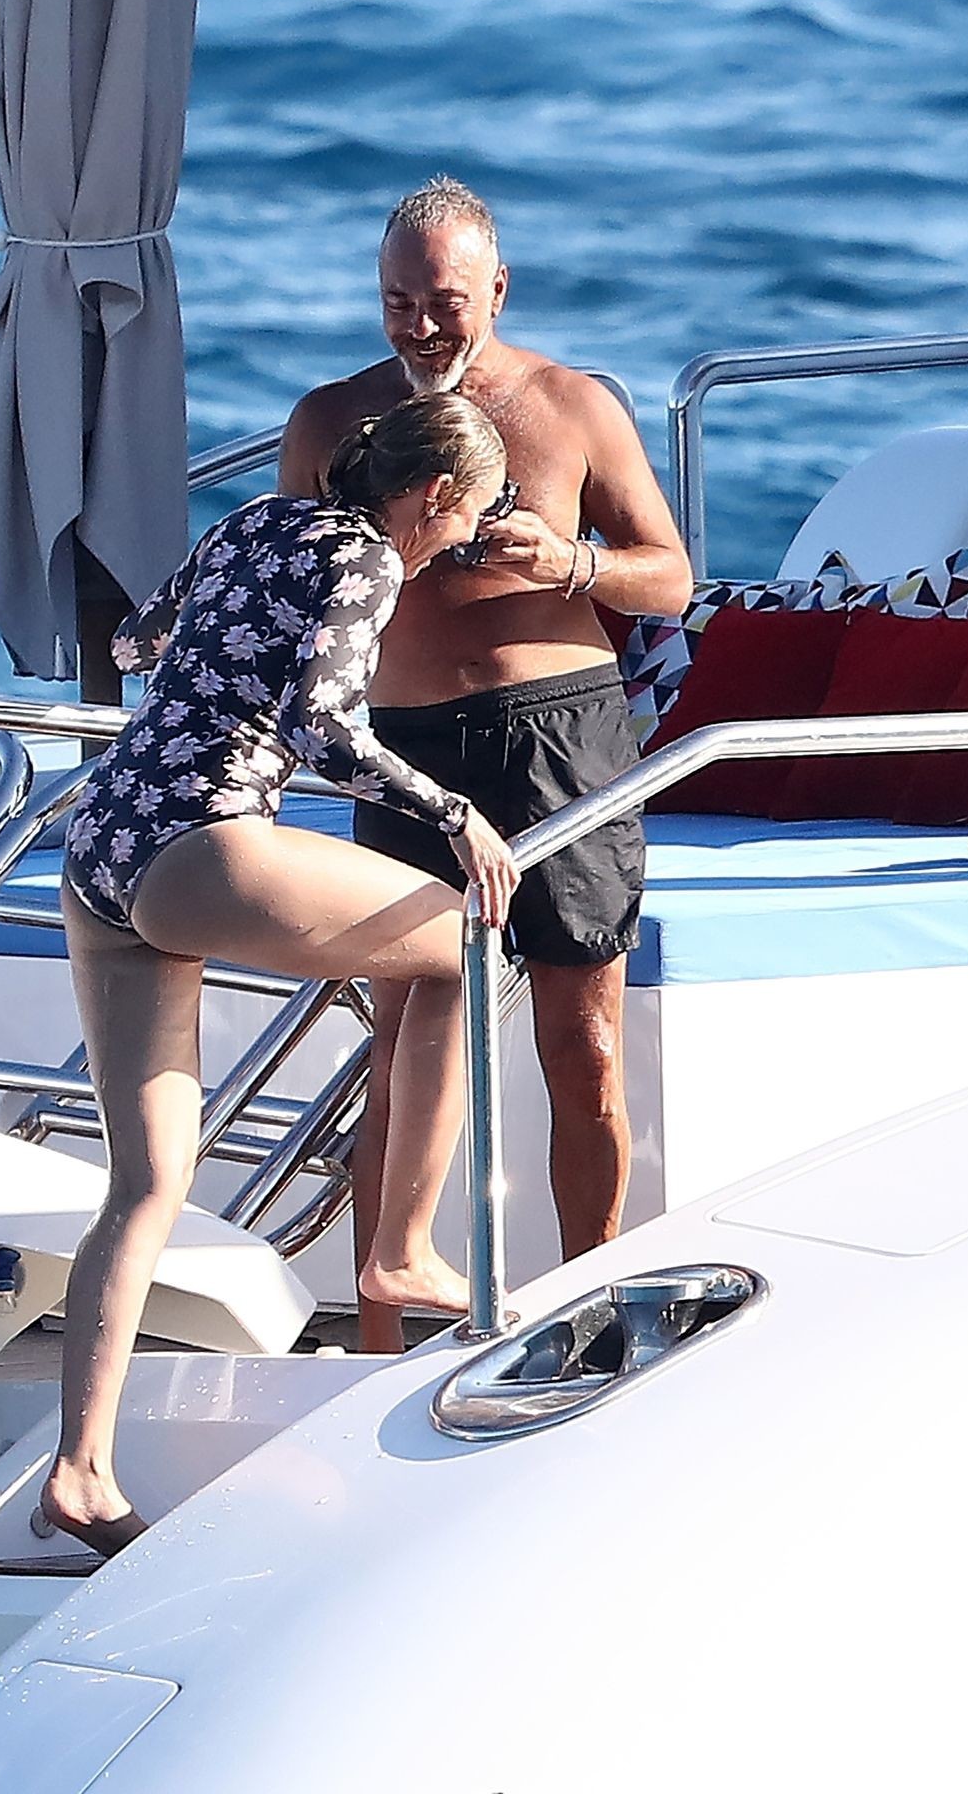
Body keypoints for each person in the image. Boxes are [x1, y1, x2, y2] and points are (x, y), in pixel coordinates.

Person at [41, 392, 520, 1555]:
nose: (465, 536)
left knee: (145, 1184)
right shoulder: (368, 557)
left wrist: (222, 671)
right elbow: (324, 728)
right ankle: (401, 1249)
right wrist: (453, 813)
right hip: (199, 836)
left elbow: (135, 644)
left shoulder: (256, 518)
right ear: (434, 495)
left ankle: (81, 1473)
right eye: (473, 514)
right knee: (464, 940)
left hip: (101, 837)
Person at [278, 176, 694, 1351]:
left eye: (444, 303)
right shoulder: (331, 421)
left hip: (559, 736)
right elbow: (285, 584)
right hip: (408, 757)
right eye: (395, 302)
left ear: (496, 290)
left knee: (583, 1047)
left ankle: (592, 1320)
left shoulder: (570, 405)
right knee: (401, 1048)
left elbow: (669, 577)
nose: (419, 327)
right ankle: (377, 1341)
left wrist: (567, 563)